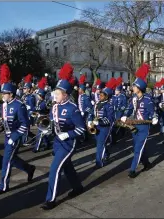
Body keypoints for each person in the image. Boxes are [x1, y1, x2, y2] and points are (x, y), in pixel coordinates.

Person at [41, 63, 85, 210]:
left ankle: (50, 199)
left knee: (54, 169)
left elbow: (81, 130)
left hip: (68, 144)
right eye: (55, 92)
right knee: (68, 168)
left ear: (65, 94)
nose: (55, 95)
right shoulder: (54, 107)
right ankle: (78, 188)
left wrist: (68, 134)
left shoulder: (73, 109)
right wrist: (48, 130)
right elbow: (54, 123)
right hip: (57, 142)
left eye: (58, 93)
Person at [0, 64, 35, 195]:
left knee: (6, 160)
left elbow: (25, 124)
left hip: (15, 137)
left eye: (4, 93)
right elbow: (4, 120)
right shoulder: (4, 105)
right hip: (7, 135)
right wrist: (0, 127)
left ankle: (3, 186)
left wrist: (14, 137)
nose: (2, 95)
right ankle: (29, 168)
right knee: (12, 158)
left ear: (10, 94)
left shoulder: (19, 105)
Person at [121, 64, 157, 178]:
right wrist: (125, 115)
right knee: (139, 147)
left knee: (137, 149)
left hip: (144, 127)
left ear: (139, 87)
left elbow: (153, 112)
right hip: (135, 126)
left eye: (134, 86)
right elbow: (129, 109)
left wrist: (155, 118)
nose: (133, 87)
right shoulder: (134, 99)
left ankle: (132, 170)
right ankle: (146, 163)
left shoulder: (147, 99)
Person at [88, 77, 116, 168]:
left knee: (100, 145)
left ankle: (99, 162)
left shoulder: (109, 105)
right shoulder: (96, 104)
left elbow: (110, 119)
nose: (100, 96)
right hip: (96, 127)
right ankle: (107, 153)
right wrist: (89, 121)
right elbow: (91, 113)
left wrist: (99, 122)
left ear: (106, 96)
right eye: (100, 95)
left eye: (102, 95)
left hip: (105, 128)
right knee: (100, 143)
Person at [33, 77, 51, 152]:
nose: (37, 96)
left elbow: (38, 109)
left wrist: (33, 110)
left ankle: (36, 148)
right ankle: (47, 144)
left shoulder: (43, 103)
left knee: (40, 134)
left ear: (41, 95)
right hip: (40, 118)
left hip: (44, 119)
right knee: (43, 133)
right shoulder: (40, 102)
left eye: (38, 95)